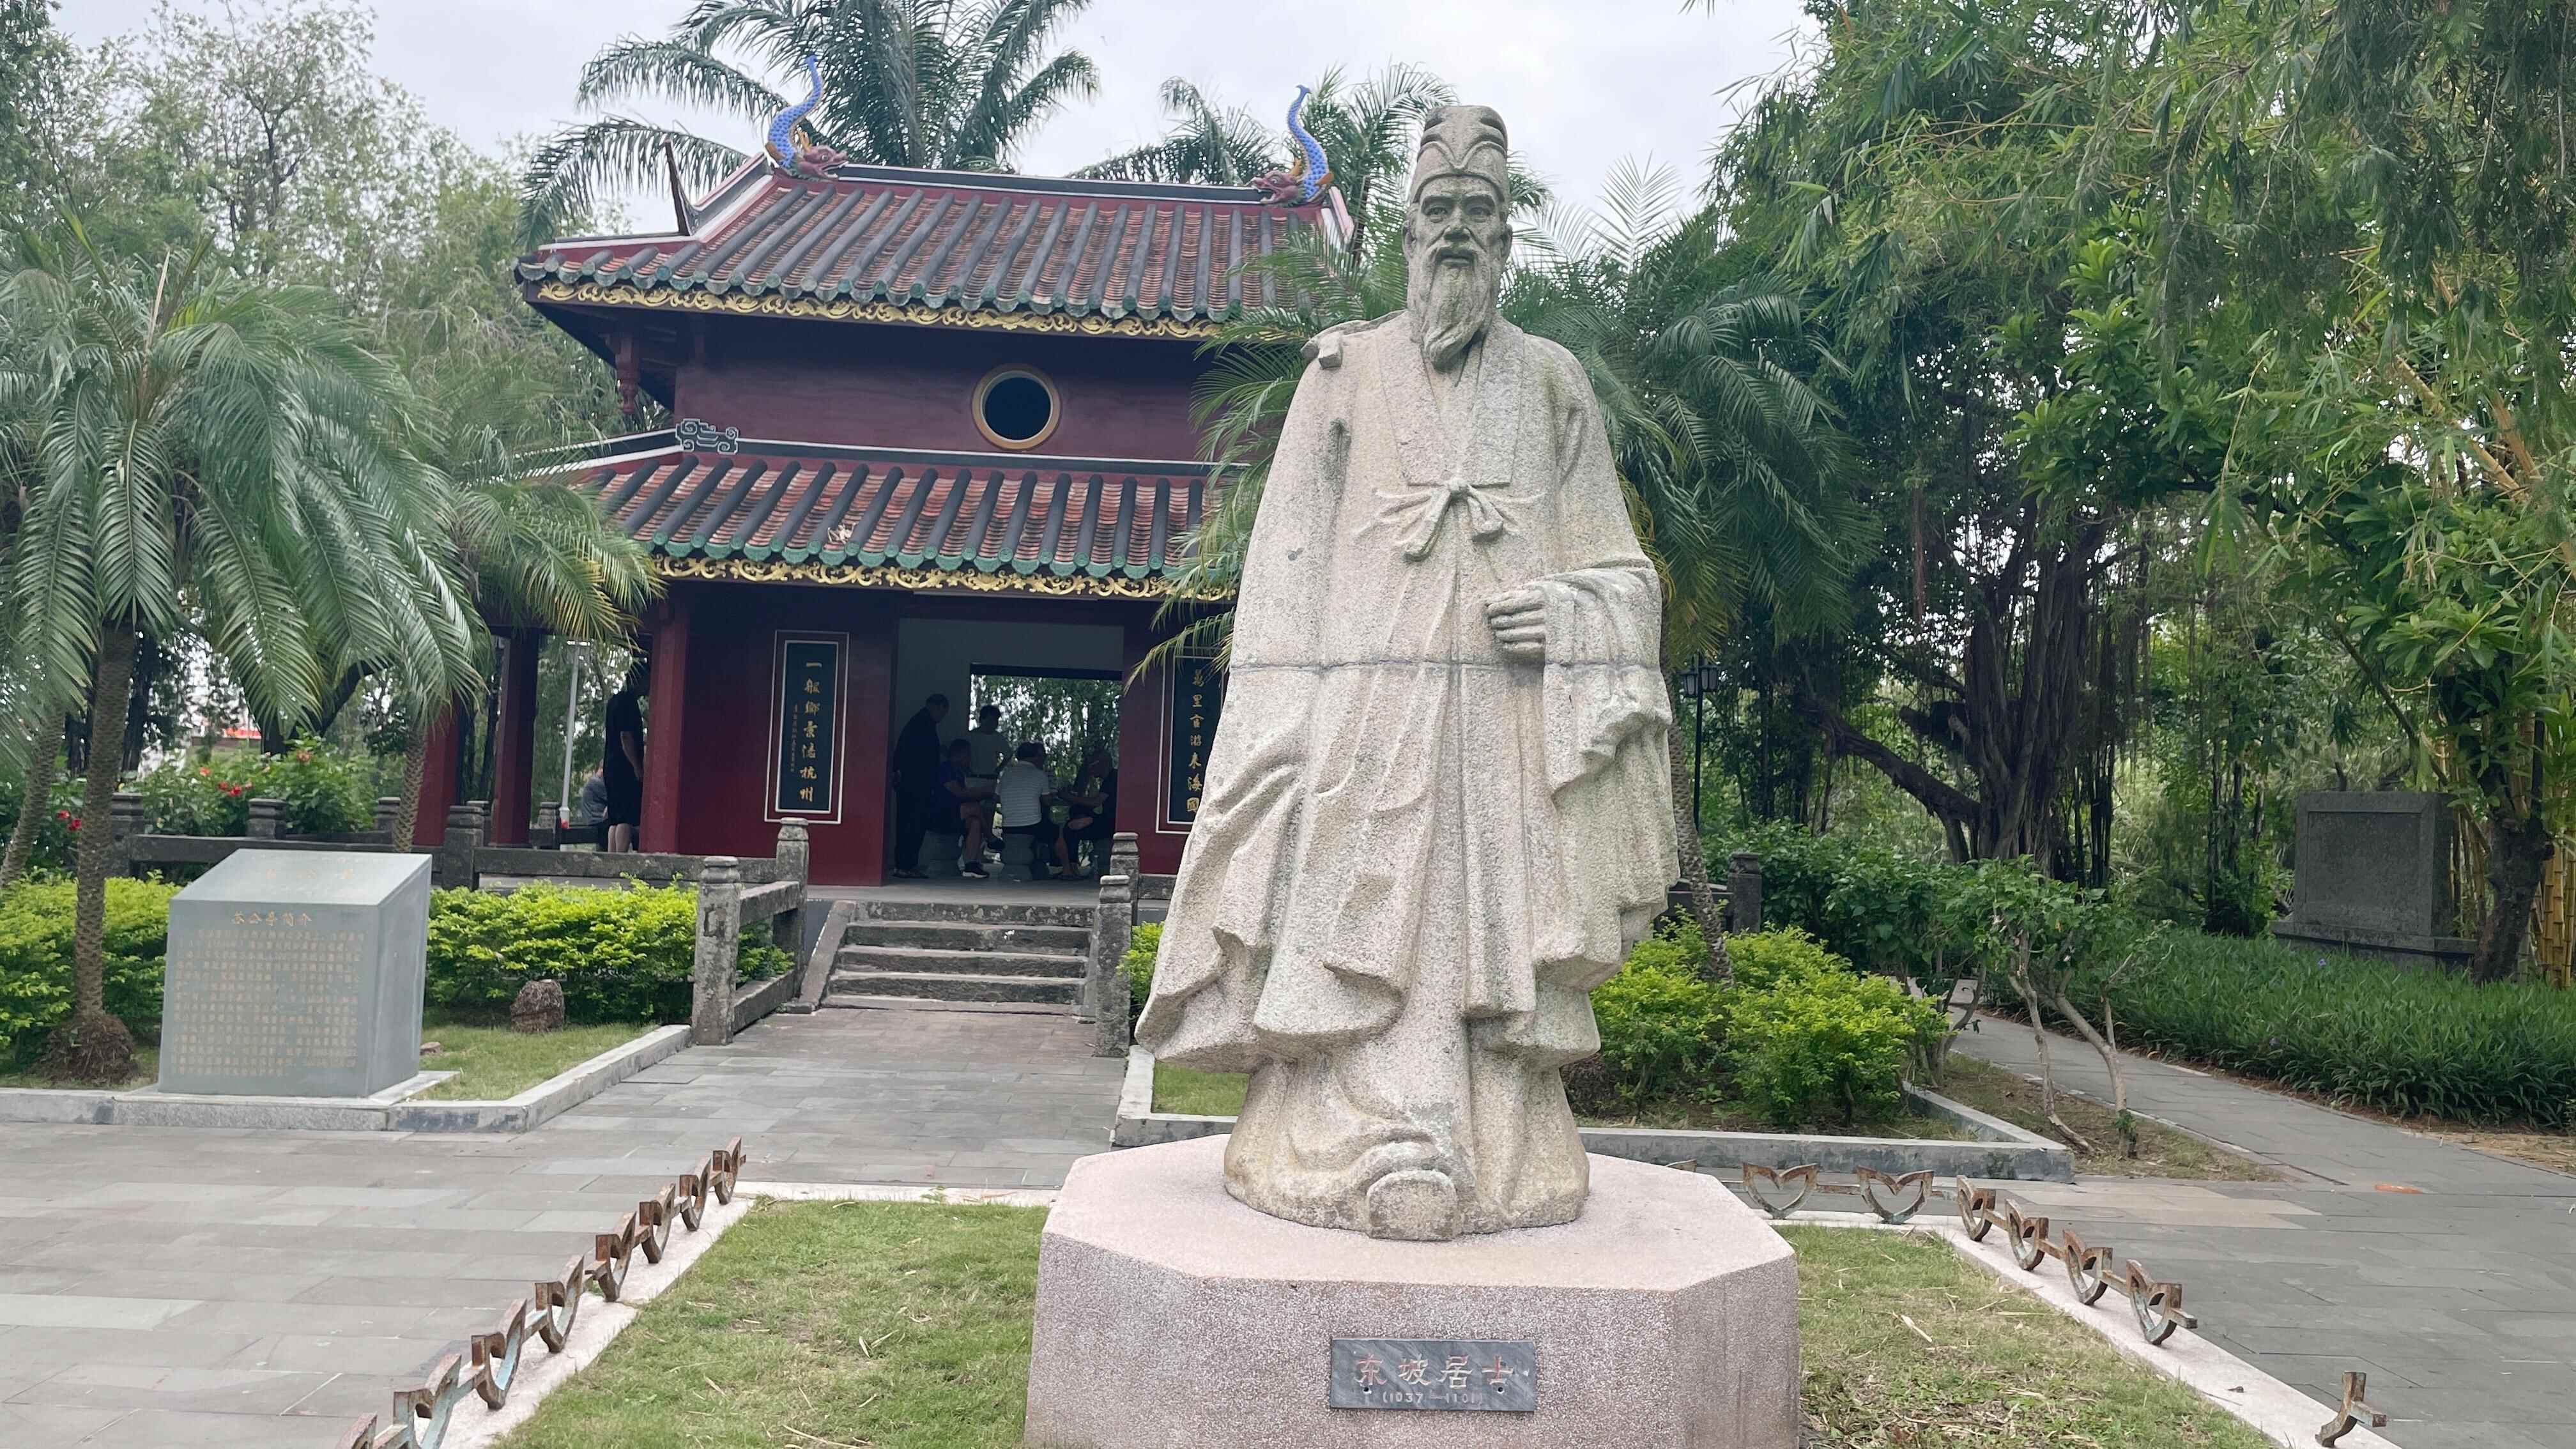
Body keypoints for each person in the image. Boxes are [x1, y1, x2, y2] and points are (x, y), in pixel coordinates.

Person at [1135, 107, 1674, 1242]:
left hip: (1504, 720)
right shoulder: (1342, 373)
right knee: (1353, 915)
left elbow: (1622, 566)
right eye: (1439, 211)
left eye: (1480, 211)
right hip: (1361, 711)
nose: (1458, 230)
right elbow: (1284, 566)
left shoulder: (1553, 382)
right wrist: (1278, 713)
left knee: (1486, 928)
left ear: (1508, 237)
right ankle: (1342, 1135)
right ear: (1408, 233)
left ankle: (1495, 1145)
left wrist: (1572, 615)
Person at [889, 693, 949, 878]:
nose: (942, 717)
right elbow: (919, 756)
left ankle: (906, 864)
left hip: (912, 783)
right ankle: (905, 865)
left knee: (911, 824)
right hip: (916, 784)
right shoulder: (922, 724)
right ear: (937, 707)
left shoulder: (920, 723)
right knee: (912, 824)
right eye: (943, 712)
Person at [993, 740, 1058, 876]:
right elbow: (1047, 801)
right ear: (1034, 757)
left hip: (1008, 825)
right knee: (1058, 831)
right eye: (1041, 756)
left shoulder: (1007, 773)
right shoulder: (1040, 775)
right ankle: (1062, 865)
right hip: (1032, 826)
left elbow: (997, 797)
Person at [601, 664, 647, 853]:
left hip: (611, 766)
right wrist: (636, 766)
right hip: (624, 767)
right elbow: (626, 736)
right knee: (626, 818)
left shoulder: (614, 701)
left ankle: (612, 857)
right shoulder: (629, 703)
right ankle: (620, 858)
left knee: (615, 818)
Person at [1054, 749, 1117, 876]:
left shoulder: (1113, 778)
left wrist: (1070, 797)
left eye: (1091, 765)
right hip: (1106, 819)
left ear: (1102, 764)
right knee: (1077, 810)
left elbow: (1096, 802)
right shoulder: (1110, 778)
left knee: (1069, 829)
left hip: (1111, 823)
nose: (1089, 769)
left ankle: (1071, 868)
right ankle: (1085, 821)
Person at [937, 737, 993, 877]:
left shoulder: (959, 773)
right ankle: (990, 837)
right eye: (968, 755)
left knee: (976, 822)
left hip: (956, 813)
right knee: (974, 808)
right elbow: (959, 793)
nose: (970, 759)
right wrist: (982, 792)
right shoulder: (946, 769)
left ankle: (971, 865)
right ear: (961, 754)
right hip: (941, 812)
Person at [575, 766, 610, 832]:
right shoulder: (596, 782)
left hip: (594, 818)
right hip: (595, 819)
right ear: (602, 770)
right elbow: (614, 799)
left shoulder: (595, 781)